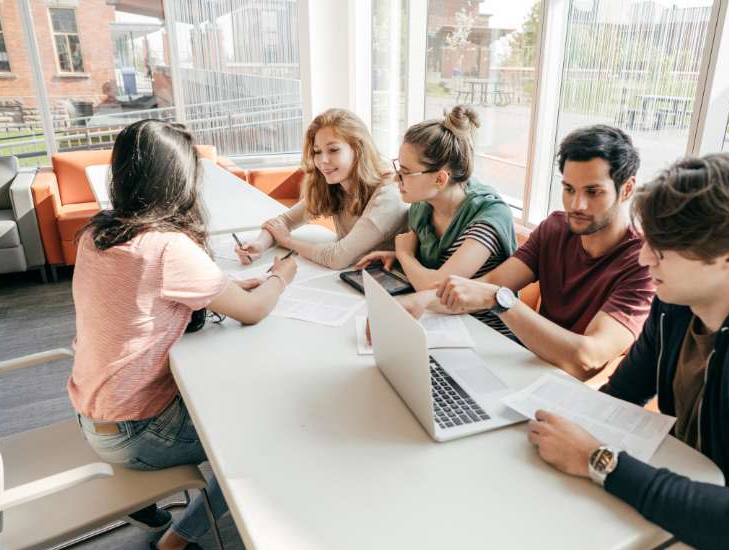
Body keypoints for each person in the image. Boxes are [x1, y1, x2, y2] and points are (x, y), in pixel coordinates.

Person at [527, 153, 729, 550]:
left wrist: (599, 461)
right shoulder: (676, 305)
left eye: (663, 251)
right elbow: (621, 395)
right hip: (686, 504)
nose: (645, 259)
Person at [70, 120, 297, 550]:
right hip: (135, 435)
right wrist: (280, 278)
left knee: (226, 397)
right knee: (264, 443)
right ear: (179, 180)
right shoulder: (168, 247)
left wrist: (223, 286)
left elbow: (148, 294)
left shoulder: (97, 234)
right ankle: (173, 549)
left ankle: (140, 501)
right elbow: (253, 312)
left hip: (93, 414)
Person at [399, 125, 655, 380]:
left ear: (628, 189)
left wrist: (498, 299)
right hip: (525, 365)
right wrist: (414, 303)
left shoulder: (643, 263)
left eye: (593, 192)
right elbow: (490, 283)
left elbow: (588, 357)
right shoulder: (555, 228)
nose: (577, 205)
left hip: (569, 387)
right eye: (568, 189)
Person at [357, 105, 515, 290]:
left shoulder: (490, 217)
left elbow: (438, 287)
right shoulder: (422, 207)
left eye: (406, 172)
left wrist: (404, 255)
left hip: (477, 319)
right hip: (435, 313)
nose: (395, 177)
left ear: (440, 179)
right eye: (398, 167)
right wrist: (397, 258)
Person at [234, 108, 407, 270]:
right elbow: (283, 221)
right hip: (354, 275)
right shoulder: (333, 182)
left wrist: (287, 240)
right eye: (317, 151)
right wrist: (259, 245)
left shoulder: (389, 193)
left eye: (333, 150)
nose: (323, 160)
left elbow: (338, 258)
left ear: (358, 149)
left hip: (388, 283)